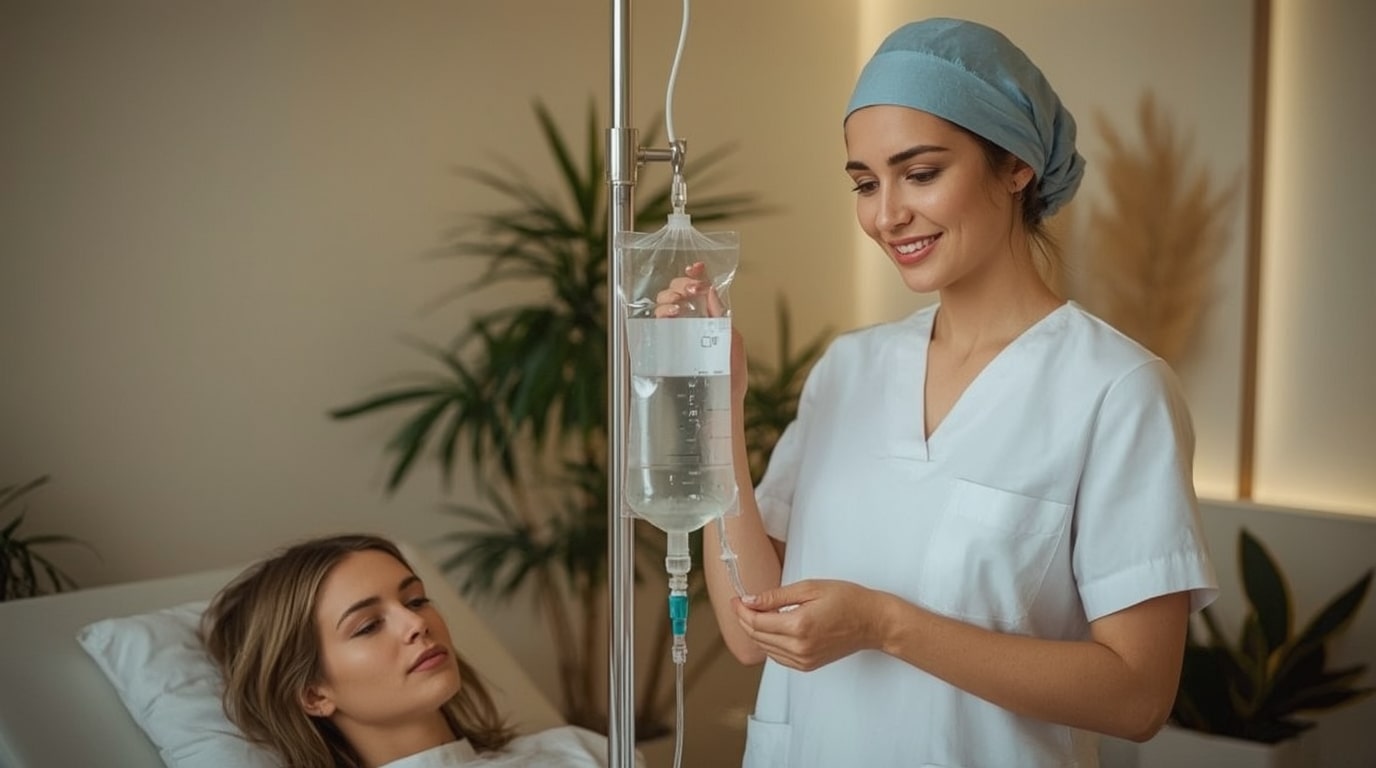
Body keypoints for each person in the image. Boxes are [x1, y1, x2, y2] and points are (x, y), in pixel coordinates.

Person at [666, 17, 1218, 768]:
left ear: (1016, 165)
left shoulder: (1116, 390)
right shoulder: (848, 370)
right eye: (865, 183)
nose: (886, 214)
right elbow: (745, 630)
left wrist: (884, 625)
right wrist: (716, 410)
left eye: (919, 173)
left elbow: (1137, 696)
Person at [202, 533, 632, 768]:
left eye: (415, 600)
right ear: (315, 694)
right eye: (368, 625)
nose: (416, 624)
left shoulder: (577, 751)